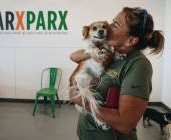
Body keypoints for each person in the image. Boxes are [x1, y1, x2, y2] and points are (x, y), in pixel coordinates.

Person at [69, 7, 164, 140]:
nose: (107, 26)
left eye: (116, 24)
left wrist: (82, 101)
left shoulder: (138, 65)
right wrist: (91, 55)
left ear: (131, 40)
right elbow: (73, 56)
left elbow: (125, 123)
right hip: (86, 133)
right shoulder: (109, 50)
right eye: (112, 22)